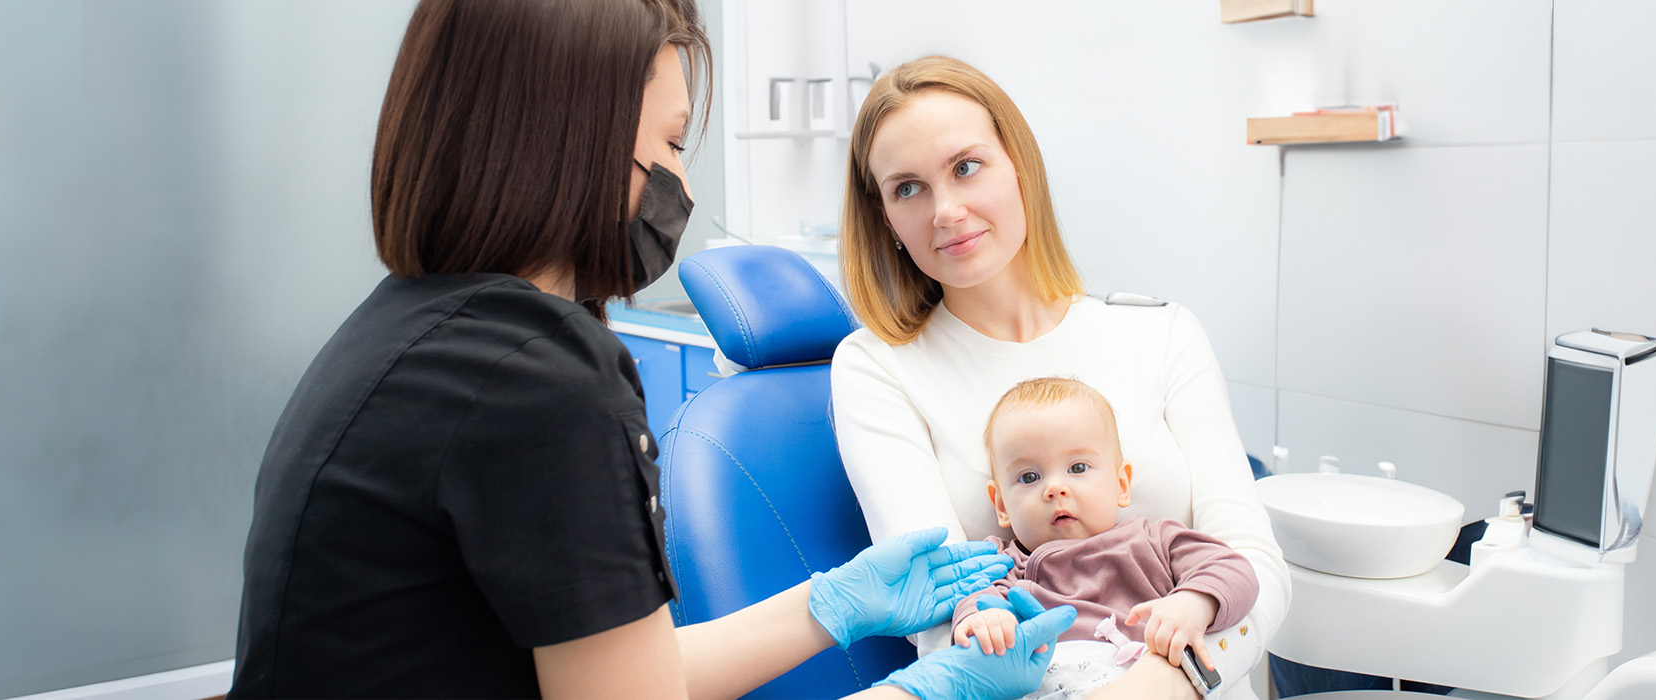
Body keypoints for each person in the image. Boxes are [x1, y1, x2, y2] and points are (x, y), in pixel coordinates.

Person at [230, 3, 1071, 698]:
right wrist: (925, 691)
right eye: (670, 146)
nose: (686, 188)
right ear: (568, 143)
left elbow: (631, 677)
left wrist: (832, 604)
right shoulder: (533, 379)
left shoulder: (410, 337)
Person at [831, 55, 1292, 698]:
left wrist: (1156, 686)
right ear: (886, 218)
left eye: (967, 167)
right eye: (908, 187)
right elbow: (941, 620)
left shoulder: (1159, 332)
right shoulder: (877, 367)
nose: (946, 210)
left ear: (1018, 166)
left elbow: (1257, 568)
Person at [953, 378, 1260, 699]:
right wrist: (986, 620)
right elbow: (970, 601)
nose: (1055, 488)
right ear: (1002, 505)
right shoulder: (1005, 565)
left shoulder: (1154, 540)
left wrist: (1194, 603)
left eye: (1078, 467)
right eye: (1029, 477)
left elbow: (1233, 569)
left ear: (1121, 484)